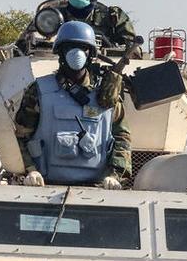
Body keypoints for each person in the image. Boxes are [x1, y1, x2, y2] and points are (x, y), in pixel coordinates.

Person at [14, 21, 131, 188]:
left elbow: (122, 137)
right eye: (69, 47)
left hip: (98, 188)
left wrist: (115, 175)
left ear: (91, 54)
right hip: (43, 186)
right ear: (60, 52)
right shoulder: (39, 91)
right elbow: (21, 135)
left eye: (83, 48)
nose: (76, 53)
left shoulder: (106, 95)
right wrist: (30, 170)